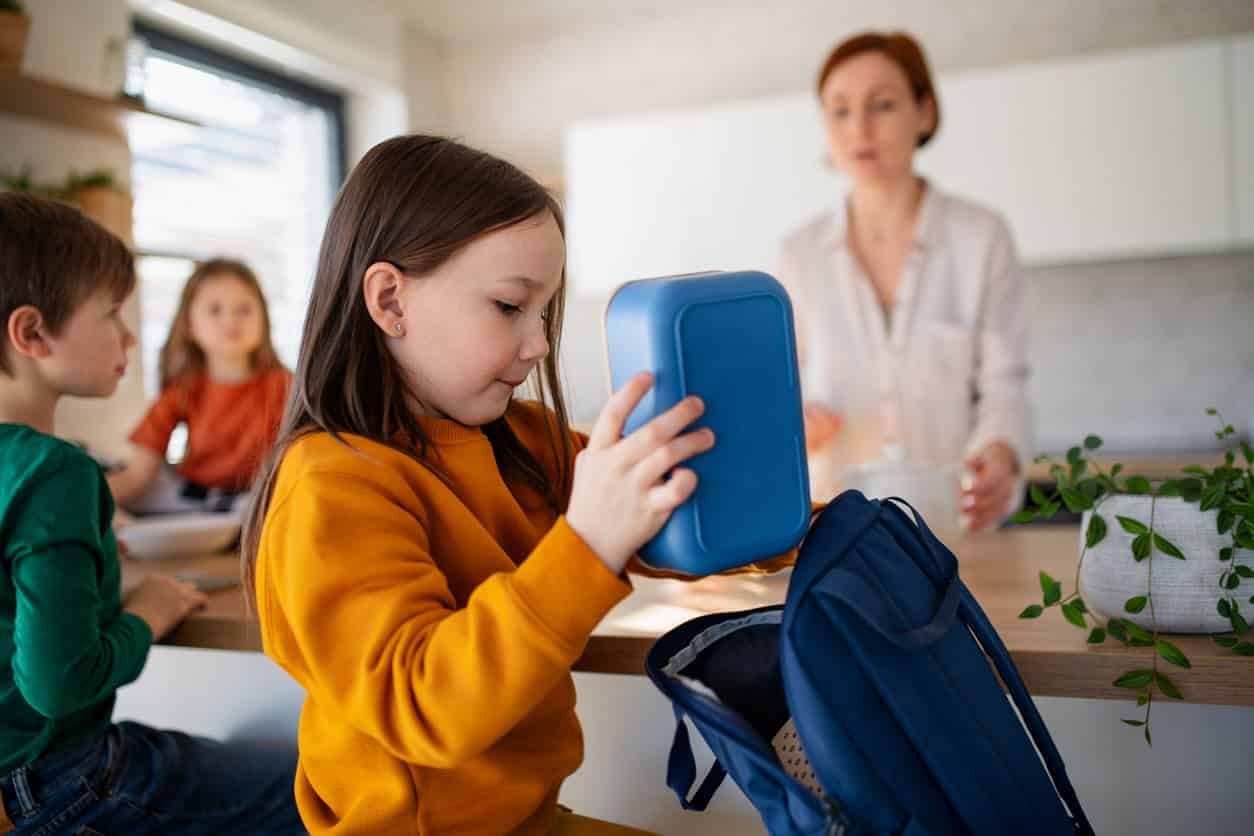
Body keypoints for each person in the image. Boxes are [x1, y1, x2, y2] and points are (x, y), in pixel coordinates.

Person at [242, 135, 795, 835]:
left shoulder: (522, 440)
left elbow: (671, 504)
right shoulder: (330, 486)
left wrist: (825, 525)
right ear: (390, 300)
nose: (538, 344)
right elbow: (423, 704)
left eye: (544, 313)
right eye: (510, 307)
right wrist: (587, 543)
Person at [0, 193, 303, 834]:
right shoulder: (55, 473)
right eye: (111, 313)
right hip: (58, 781)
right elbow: (57, 683)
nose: (130, 335)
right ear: (31, 333)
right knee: (326, 789)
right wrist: (149, 613)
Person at [777, 31, 1032, 530]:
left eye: (883, 105)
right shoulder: (797, 254)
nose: (860, 128)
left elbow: (1005, 383)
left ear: (925, 113)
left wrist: (1001, 450)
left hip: (954, 528)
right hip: (833, 532)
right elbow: (780, 394)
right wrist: (794, 423)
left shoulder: (982, 236)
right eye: (840, 110)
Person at [107, 259, 290, 514]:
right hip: (196, 495)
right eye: (215, 310)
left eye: (244, 309)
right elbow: (139, 474)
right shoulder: (183, 390)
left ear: (264, 319)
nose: (231, 320)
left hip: (264, 497)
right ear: (189, 326)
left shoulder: (285, 386)